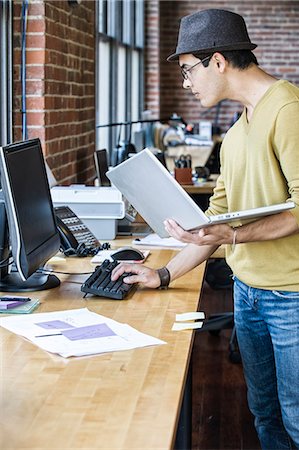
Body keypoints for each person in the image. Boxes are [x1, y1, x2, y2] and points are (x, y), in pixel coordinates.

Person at [112, 9, 299, 450]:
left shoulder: (287, 109)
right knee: (265, 415)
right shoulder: (237, 131)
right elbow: (212, 222)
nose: (186, 83)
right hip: (248, 292)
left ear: (217, 61)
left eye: (187, 70)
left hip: (290, 296)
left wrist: (233, 236)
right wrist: (161, 275)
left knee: (295, 420)